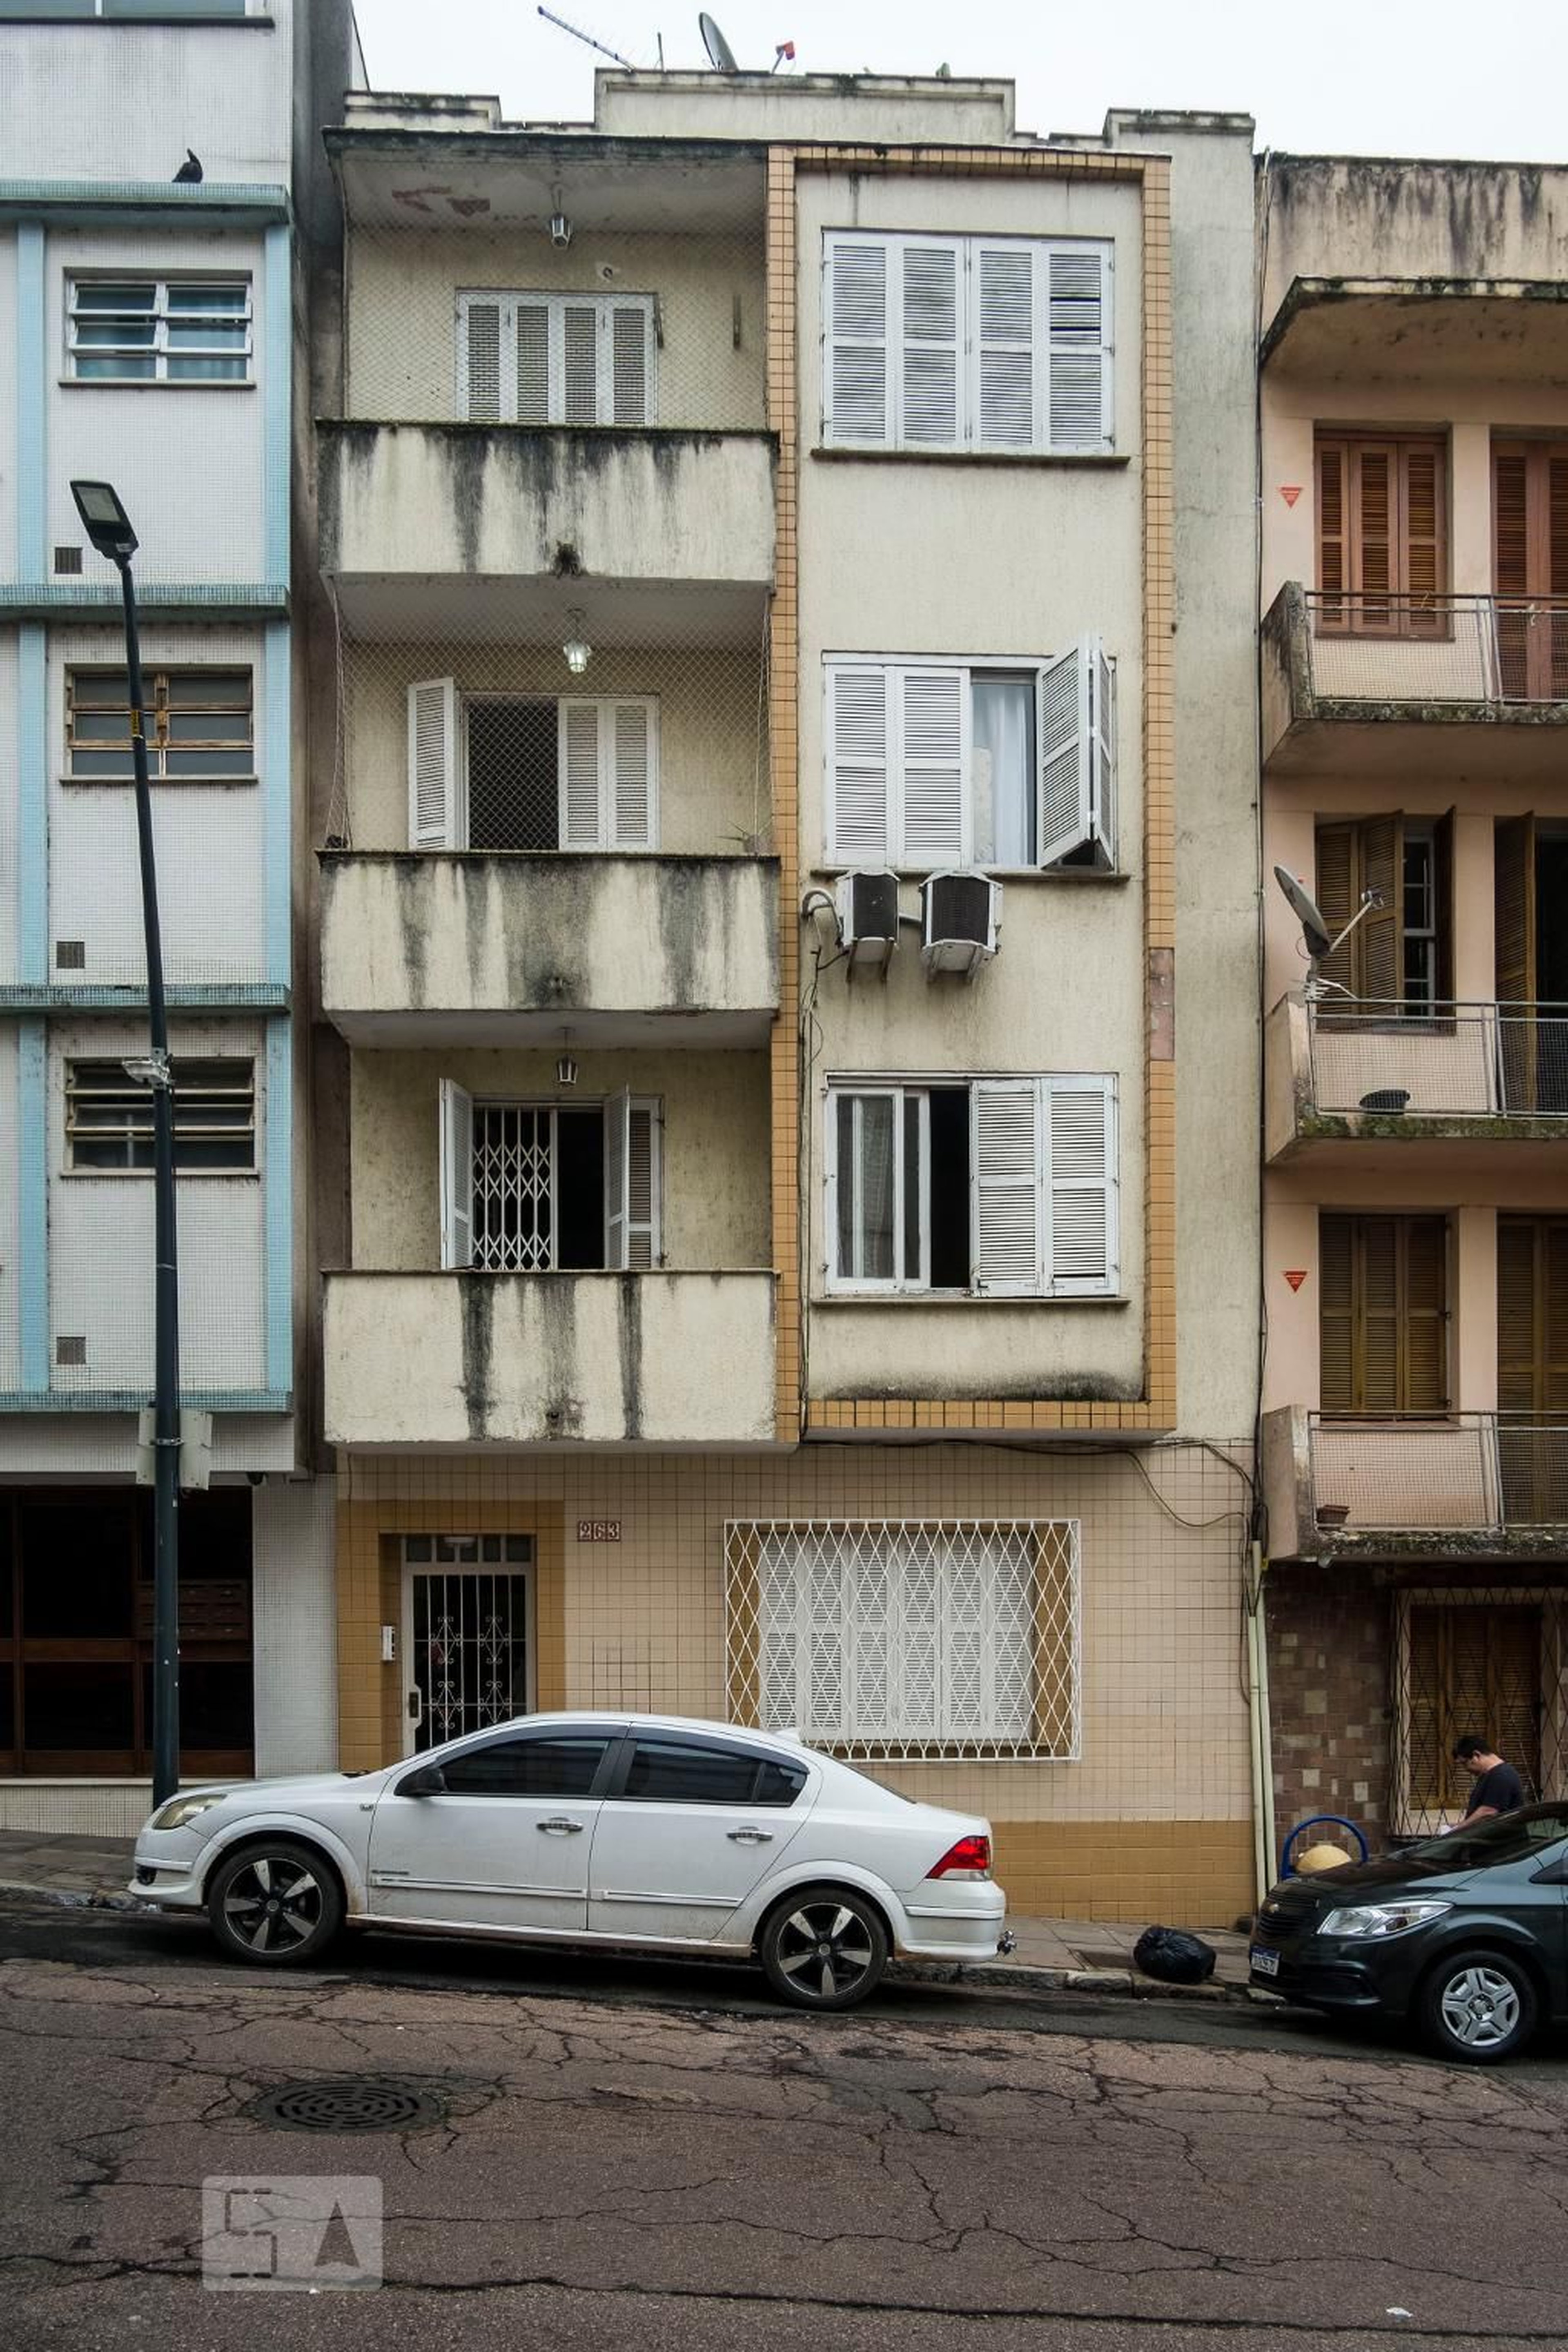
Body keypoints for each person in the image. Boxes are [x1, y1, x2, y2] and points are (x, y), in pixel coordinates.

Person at [1451, 1735, 1525, 1828]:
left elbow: (1488, 1812)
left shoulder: (1501, 1775)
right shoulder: (1490, 1775)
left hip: (1505, 1841)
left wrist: (1459, 1829)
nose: (1466, 1769)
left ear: (1477, 1755)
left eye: (1465, 1763)